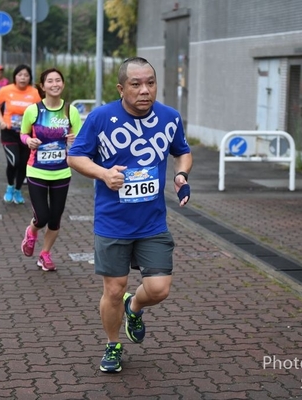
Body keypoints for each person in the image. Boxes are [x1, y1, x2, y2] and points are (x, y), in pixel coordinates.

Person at [67, 57, 192, 373]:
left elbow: (182, 151)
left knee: (159, 289)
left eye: (150, 83)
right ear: (121, 88)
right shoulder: (100, 118)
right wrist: (103, 173)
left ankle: (133, 307)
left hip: (152, 221)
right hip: (113, 221)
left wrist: (181, 174)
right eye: (136, 84)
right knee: (113, 288)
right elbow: (76, 156)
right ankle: (113, 345)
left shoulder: (169, 117)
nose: (144, 90)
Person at [19, 68, 82, 271]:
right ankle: (31, 231)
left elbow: (80, 141)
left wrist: (74, 140)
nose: (55, 84)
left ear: (63, 84)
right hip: (36, 170)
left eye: (58, 80)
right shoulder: (33, 110)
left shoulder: (70, 111)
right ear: (43, 86)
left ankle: (44, 254)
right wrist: (28, 141)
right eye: (50, 81)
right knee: (42, 216)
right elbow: (23, 134)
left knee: (55, 219)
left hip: (62, 171)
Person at [0, 64, 41, 204]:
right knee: (14, 161)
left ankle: (18, 190)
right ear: (15, 77)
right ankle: (10, 186)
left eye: (26, 75)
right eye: (20, 75)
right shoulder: (6, 90)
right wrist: (1, 121)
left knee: (23, 164)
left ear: (30, 78)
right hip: (9, 132)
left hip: (27, 134)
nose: (23, 78)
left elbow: (41, 112)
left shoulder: (35, 93)